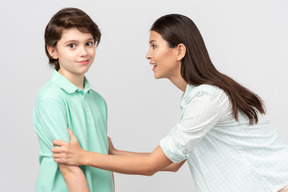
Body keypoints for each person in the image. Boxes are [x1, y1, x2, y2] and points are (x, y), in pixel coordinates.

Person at [51, 14, 288, 192]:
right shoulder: (196, 98)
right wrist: (113, 153)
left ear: (179, 51)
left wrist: (81, 157)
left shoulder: (207, 99)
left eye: (154, 45)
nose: (148, 54)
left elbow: (152, 165)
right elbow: (173, 163)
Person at [33, 7, 114, 192]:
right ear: (53, 51)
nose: (84, 52)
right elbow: (69, 168)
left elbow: (106, 162)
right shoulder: (51, 97)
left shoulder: (98, 101)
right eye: (72, 45)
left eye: (89, 43)